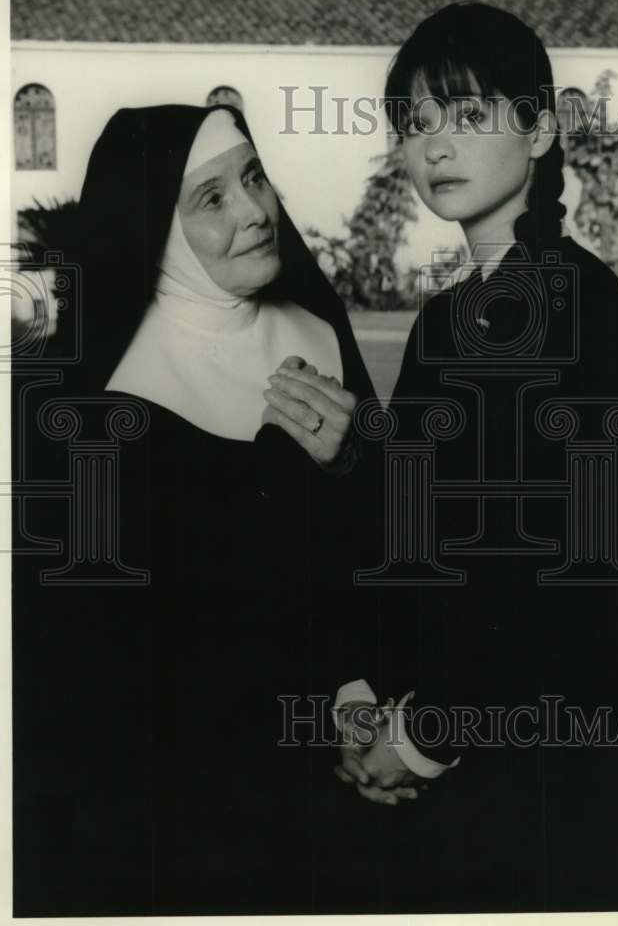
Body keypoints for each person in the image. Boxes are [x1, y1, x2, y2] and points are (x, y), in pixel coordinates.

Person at [324, 4, 618, 914]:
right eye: (417, 125)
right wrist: (367, 695)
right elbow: (422, 532)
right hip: (446, 733)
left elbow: (562, 571)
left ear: (540, 129)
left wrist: (422, 733)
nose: (435, 146)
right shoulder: (444, 318)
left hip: (552, 752)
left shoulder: (584, 312)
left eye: (468, 117)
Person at [12, 104, 380, 915]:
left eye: (254, 178)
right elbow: (122, 654)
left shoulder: (319, 330)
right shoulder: (94, 403)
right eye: (209, 198)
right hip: (179, 802)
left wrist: (357, 685)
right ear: (156, 227)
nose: (253, 210)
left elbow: (379, 549)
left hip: (327, 769)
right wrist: (285, 468)